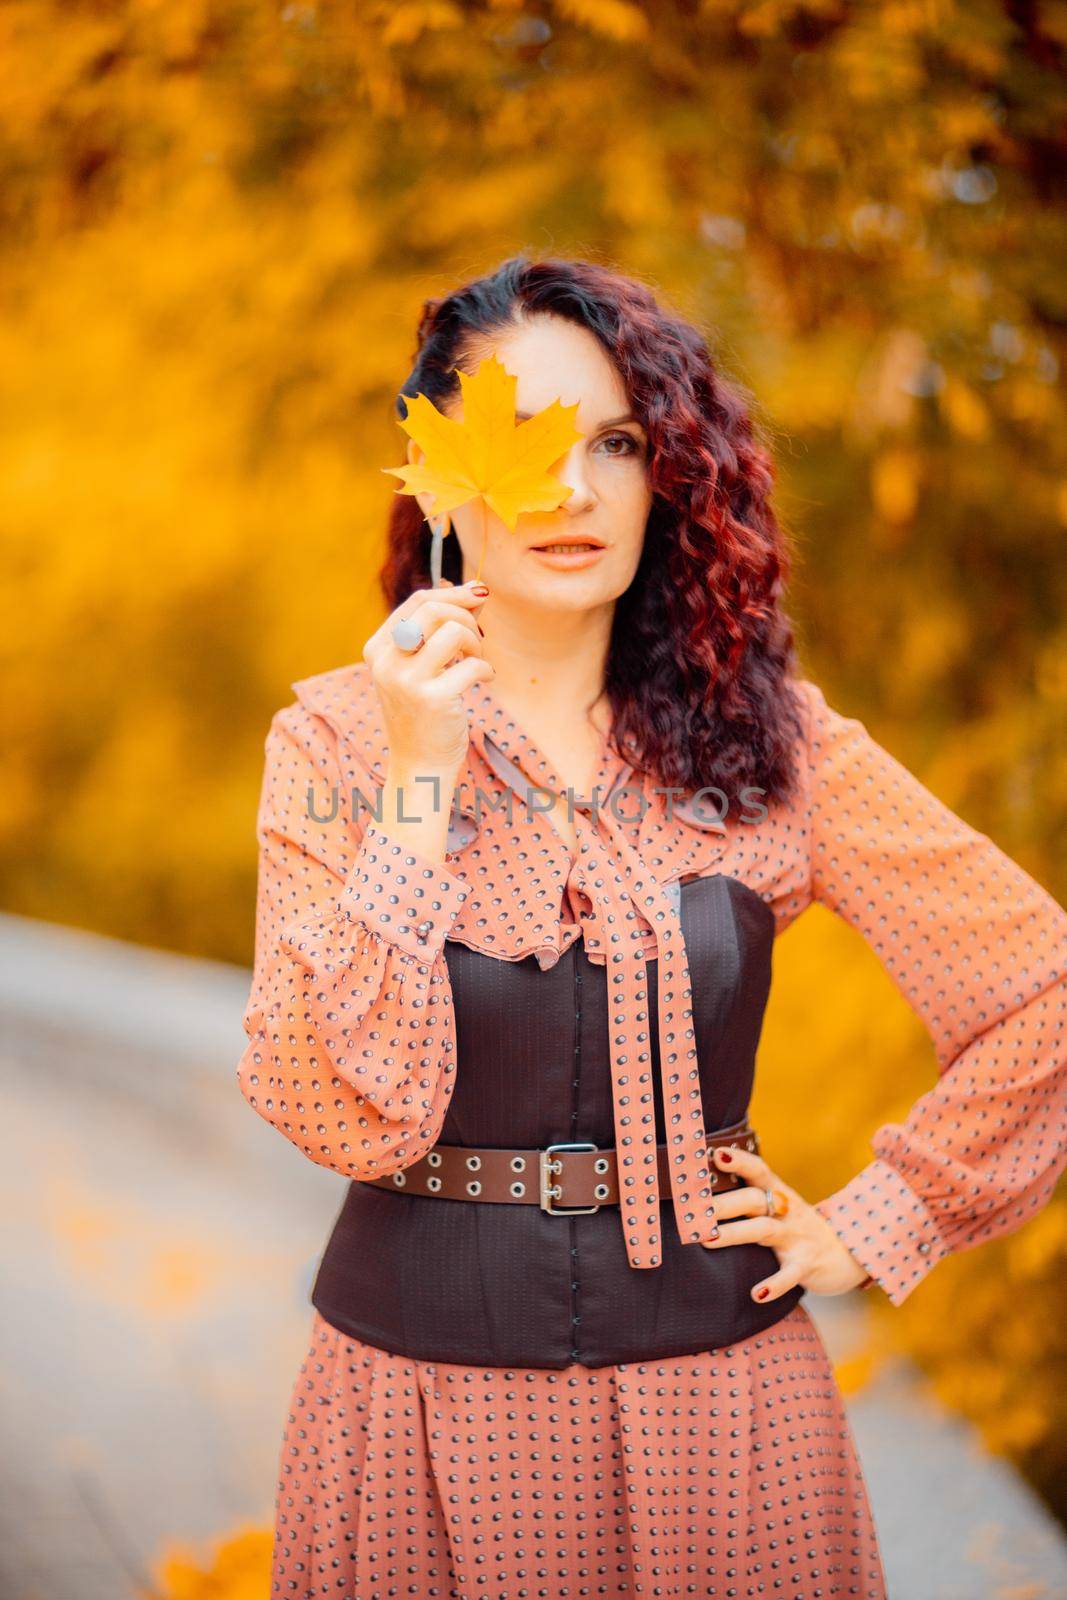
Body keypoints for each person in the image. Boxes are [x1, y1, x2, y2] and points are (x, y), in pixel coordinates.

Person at [236, 255, 1067, 1600]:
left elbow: (1042, 990)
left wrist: (882, 1218)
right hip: (422, 1420)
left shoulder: (775, 748)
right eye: (525, 441)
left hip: (730, 1417)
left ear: (667, 472)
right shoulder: (333, 742)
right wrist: (419, 784)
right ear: (439, 478)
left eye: (616, 441)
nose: (571, 487)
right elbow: (335, 1108)